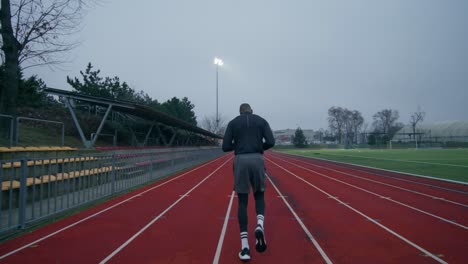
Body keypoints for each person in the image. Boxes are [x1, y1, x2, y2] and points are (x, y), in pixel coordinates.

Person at [222, 103, 275, 262]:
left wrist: (237, 145)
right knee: (259, 196)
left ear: (239, 112)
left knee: (242, 202)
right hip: (257, 159)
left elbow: (225, 147)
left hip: (240, 160)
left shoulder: (233, 123)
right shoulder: (261, 121)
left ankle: (245, 247)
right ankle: (259, 224)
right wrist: (260, 146)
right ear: (251, 111)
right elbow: (271, 142)